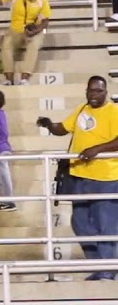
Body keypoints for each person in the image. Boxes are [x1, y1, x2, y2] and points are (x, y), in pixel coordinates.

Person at [37, 76, 117, 280]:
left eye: (98, 91)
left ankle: (108, 269)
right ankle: (99, 265)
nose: (93, 94)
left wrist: (97, 149)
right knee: (79, 222)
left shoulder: (113, 112)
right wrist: (49, 125)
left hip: (106, 177)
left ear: (105, 92)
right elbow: (62, 129)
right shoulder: (82, 110)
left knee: (105, 224)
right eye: (90, 90)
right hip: (79, 176)